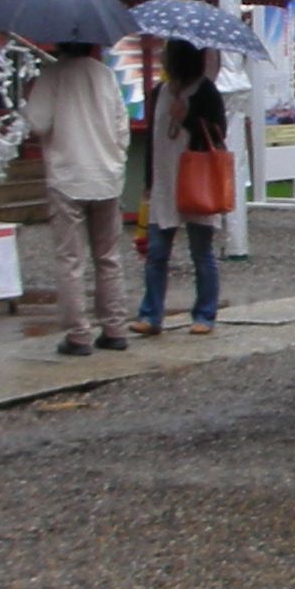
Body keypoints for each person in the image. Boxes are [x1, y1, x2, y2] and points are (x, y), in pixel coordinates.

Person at [22, 41, 131, 357]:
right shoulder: (105, 75)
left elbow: (37, 122)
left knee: (71, 260)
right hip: (107, 176)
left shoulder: (53, 75)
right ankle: (115, 328)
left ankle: (78, 334)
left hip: (68, 175)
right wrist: (115, 158)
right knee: (108, 257)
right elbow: (121, 127)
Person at [132, 38, 227, 336]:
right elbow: (153, 139)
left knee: (201, 252)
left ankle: (205, 314)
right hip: (164, 180)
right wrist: (148, 182)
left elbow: (218, 134)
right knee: (156, 253)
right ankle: (151, 314)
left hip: (196, 178)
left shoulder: (206, 92)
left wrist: (188, 118)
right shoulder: (159, 92)